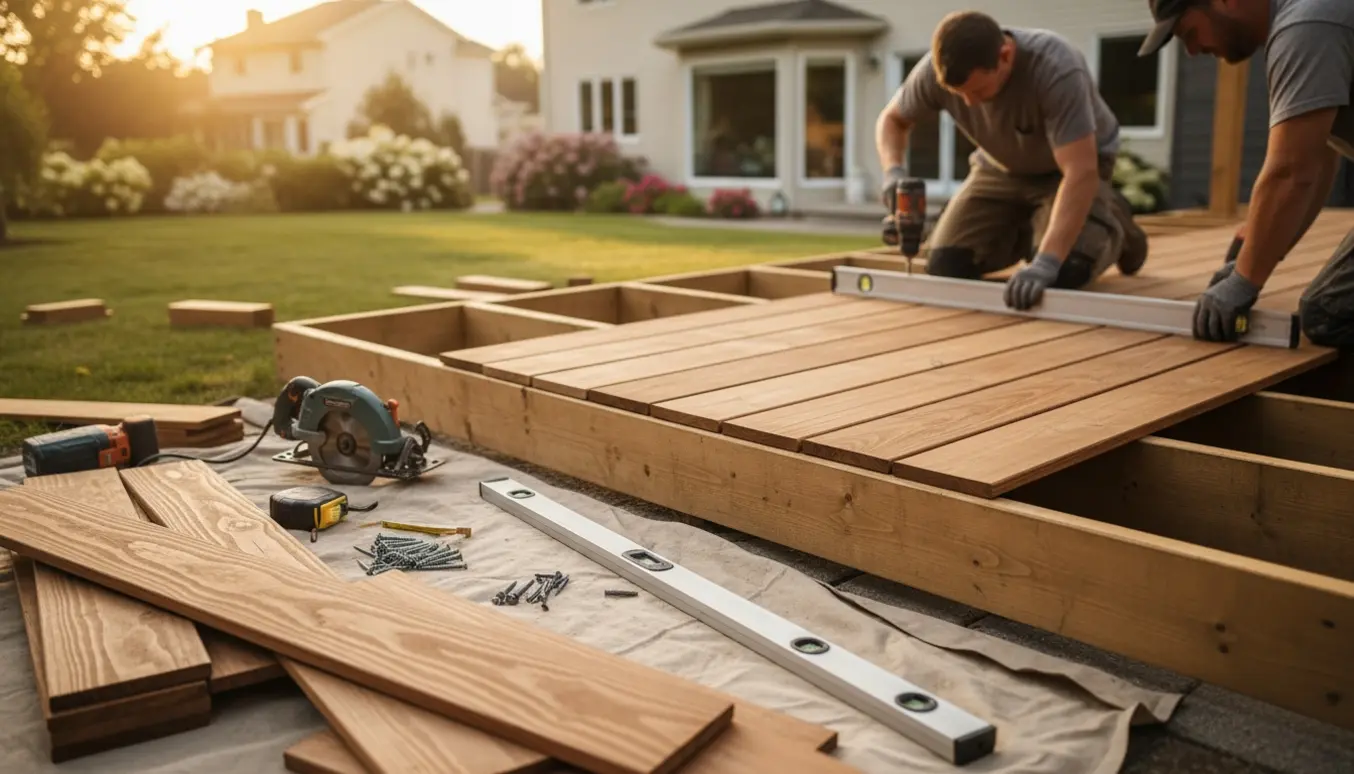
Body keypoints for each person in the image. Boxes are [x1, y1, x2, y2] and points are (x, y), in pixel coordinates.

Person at [876, 11, 1149, 311]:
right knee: (946, 266)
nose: (970, 103)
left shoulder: (1056, 68)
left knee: (1065, 271)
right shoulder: (934, 69)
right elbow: (892, 120)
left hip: (1071, 169)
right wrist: (893, 172)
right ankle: (1038, 227)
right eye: (958, 94)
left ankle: (1114, 223)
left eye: (978, 90)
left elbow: (1080, 171)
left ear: (1005, 56)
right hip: (999, 167)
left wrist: (1046, 263)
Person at [1137, 0, 1354, 346]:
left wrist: (1245, 280)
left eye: (1189, 33)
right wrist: (1256, 257)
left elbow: (1290, 172)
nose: (1192, 51)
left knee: (1330, 313)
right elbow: (1317, 163)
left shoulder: (1305, 27)